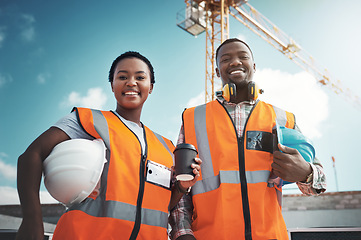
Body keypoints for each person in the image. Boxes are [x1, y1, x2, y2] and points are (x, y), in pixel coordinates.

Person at [16, 51, 201, 240]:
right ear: (112, 85)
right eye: (122, 77)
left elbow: (159, 208)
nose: (131, 82)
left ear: (151, 87)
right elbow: (32, 155)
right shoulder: (88, 120)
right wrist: (32, 220)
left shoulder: (166, 147)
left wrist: (180, 188)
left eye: (140, 77)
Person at [169, 38, 327, 240]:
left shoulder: (282, 119)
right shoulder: (193, 119)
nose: (235, 62)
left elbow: (319, 183)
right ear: (217, 71)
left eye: (243, 57)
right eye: (226, 59)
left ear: (254, 66)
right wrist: (182, 233)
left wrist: (306, 173)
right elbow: (179, 187)